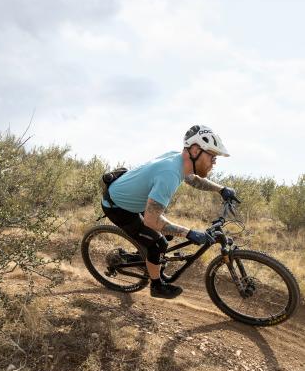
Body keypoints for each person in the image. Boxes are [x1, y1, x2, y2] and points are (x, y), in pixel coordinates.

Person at [101, 125, 238, 299]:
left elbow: (193, 180)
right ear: (195, 150)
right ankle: (157, 286)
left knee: (167, 234)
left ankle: (143, 258)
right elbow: (151, 220)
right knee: (159, 243)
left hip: (134, 198)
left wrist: (221, 189)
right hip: (118, 207)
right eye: (212, 155)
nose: (214, 162)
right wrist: (189, 233)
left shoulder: (179, 160)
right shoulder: (169, 174)